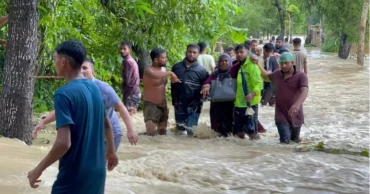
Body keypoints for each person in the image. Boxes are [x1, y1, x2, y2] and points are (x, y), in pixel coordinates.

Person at [27, 40, 118, 193]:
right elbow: (107, 125)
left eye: (55, 59)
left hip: (74, 177)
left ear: (63, 62)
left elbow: (63, 143)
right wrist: (111, 151)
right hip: (97, 174)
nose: (55, 63)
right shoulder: (94, 88)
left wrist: (38, 169)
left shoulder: (64, 94)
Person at [32, 59, 139, 150]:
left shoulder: (104, 89)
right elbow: (62, 110)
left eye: (85, 68)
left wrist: (130, 130)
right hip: (91, 134)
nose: (81, 71)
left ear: (93, 71)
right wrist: (43, 122)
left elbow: (121, 107)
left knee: (99, 168)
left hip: (110, 134)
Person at [256, 52, 308, 144]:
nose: (283, 66)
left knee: (294, 142)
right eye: (281, 63)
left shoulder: (301, 75)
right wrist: (258, 64)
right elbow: (265, 77)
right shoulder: (277, 74)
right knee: (284, 141)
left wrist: (297, 104)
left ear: (292, 63)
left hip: (296, 113)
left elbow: (305, 91)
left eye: (286, 63)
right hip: (281, 114)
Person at [171, 44, 209, 136]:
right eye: (190, 52)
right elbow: (172, 85)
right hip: (179, 104)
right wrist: (174, 101)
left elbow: (206, 88)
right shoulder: (176, 67)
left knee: (191, 131)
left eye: (194, 52)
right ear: (186, 52)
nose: (191, 54)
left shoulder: (202, 71)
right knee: (179, 131)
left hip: (194, 106)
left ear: (198, 54)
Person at [143, 48, 180, 136]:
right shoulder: (148, 71)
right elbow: (155, 76)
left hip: (163, 104)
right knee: (150, 133)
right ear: (156, 60)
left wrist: (166, 104)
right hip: (151, 105)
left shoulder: (163, 70)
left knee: (162, 132)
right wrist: (171, 73)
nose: (166, 59)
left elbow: (162, 87)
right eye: (163, 58)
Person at [230, 44, 263, 140]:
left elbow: (259, 83)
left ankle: (254, 152)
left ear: (247, 52)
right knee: (239, 133)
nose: (239, 54)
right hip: (238, 104)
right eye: (237, 53)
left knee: (252, 133)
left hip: (250, 104)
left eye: (242, 52)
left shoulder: (252, 66)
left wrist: (252, 94)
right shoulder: (238, 66)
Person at [201, 53, 234, 137]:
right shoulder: (215, 74)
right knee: (216, 132)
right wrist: (207, 85)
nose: (224, 63)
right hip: (216, 106)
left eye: (226, 60)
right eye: (221, 61)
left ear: (230, 61)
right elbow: (207, 81)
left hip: (231, 106)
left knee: (230, 131)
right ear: (218, 63)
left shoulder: (234, 72)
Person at [120, 40, 141, 115]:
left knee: (127, 117)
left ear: (130, 50)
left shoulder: (128, 62)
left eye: (124, 49)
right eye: (121, 48)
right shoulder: (131, 60)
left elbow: (127, 80)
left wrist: (122, 84)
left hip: (131, 93)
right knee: (132, 116)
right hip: (135, 92)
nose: (122, 51)